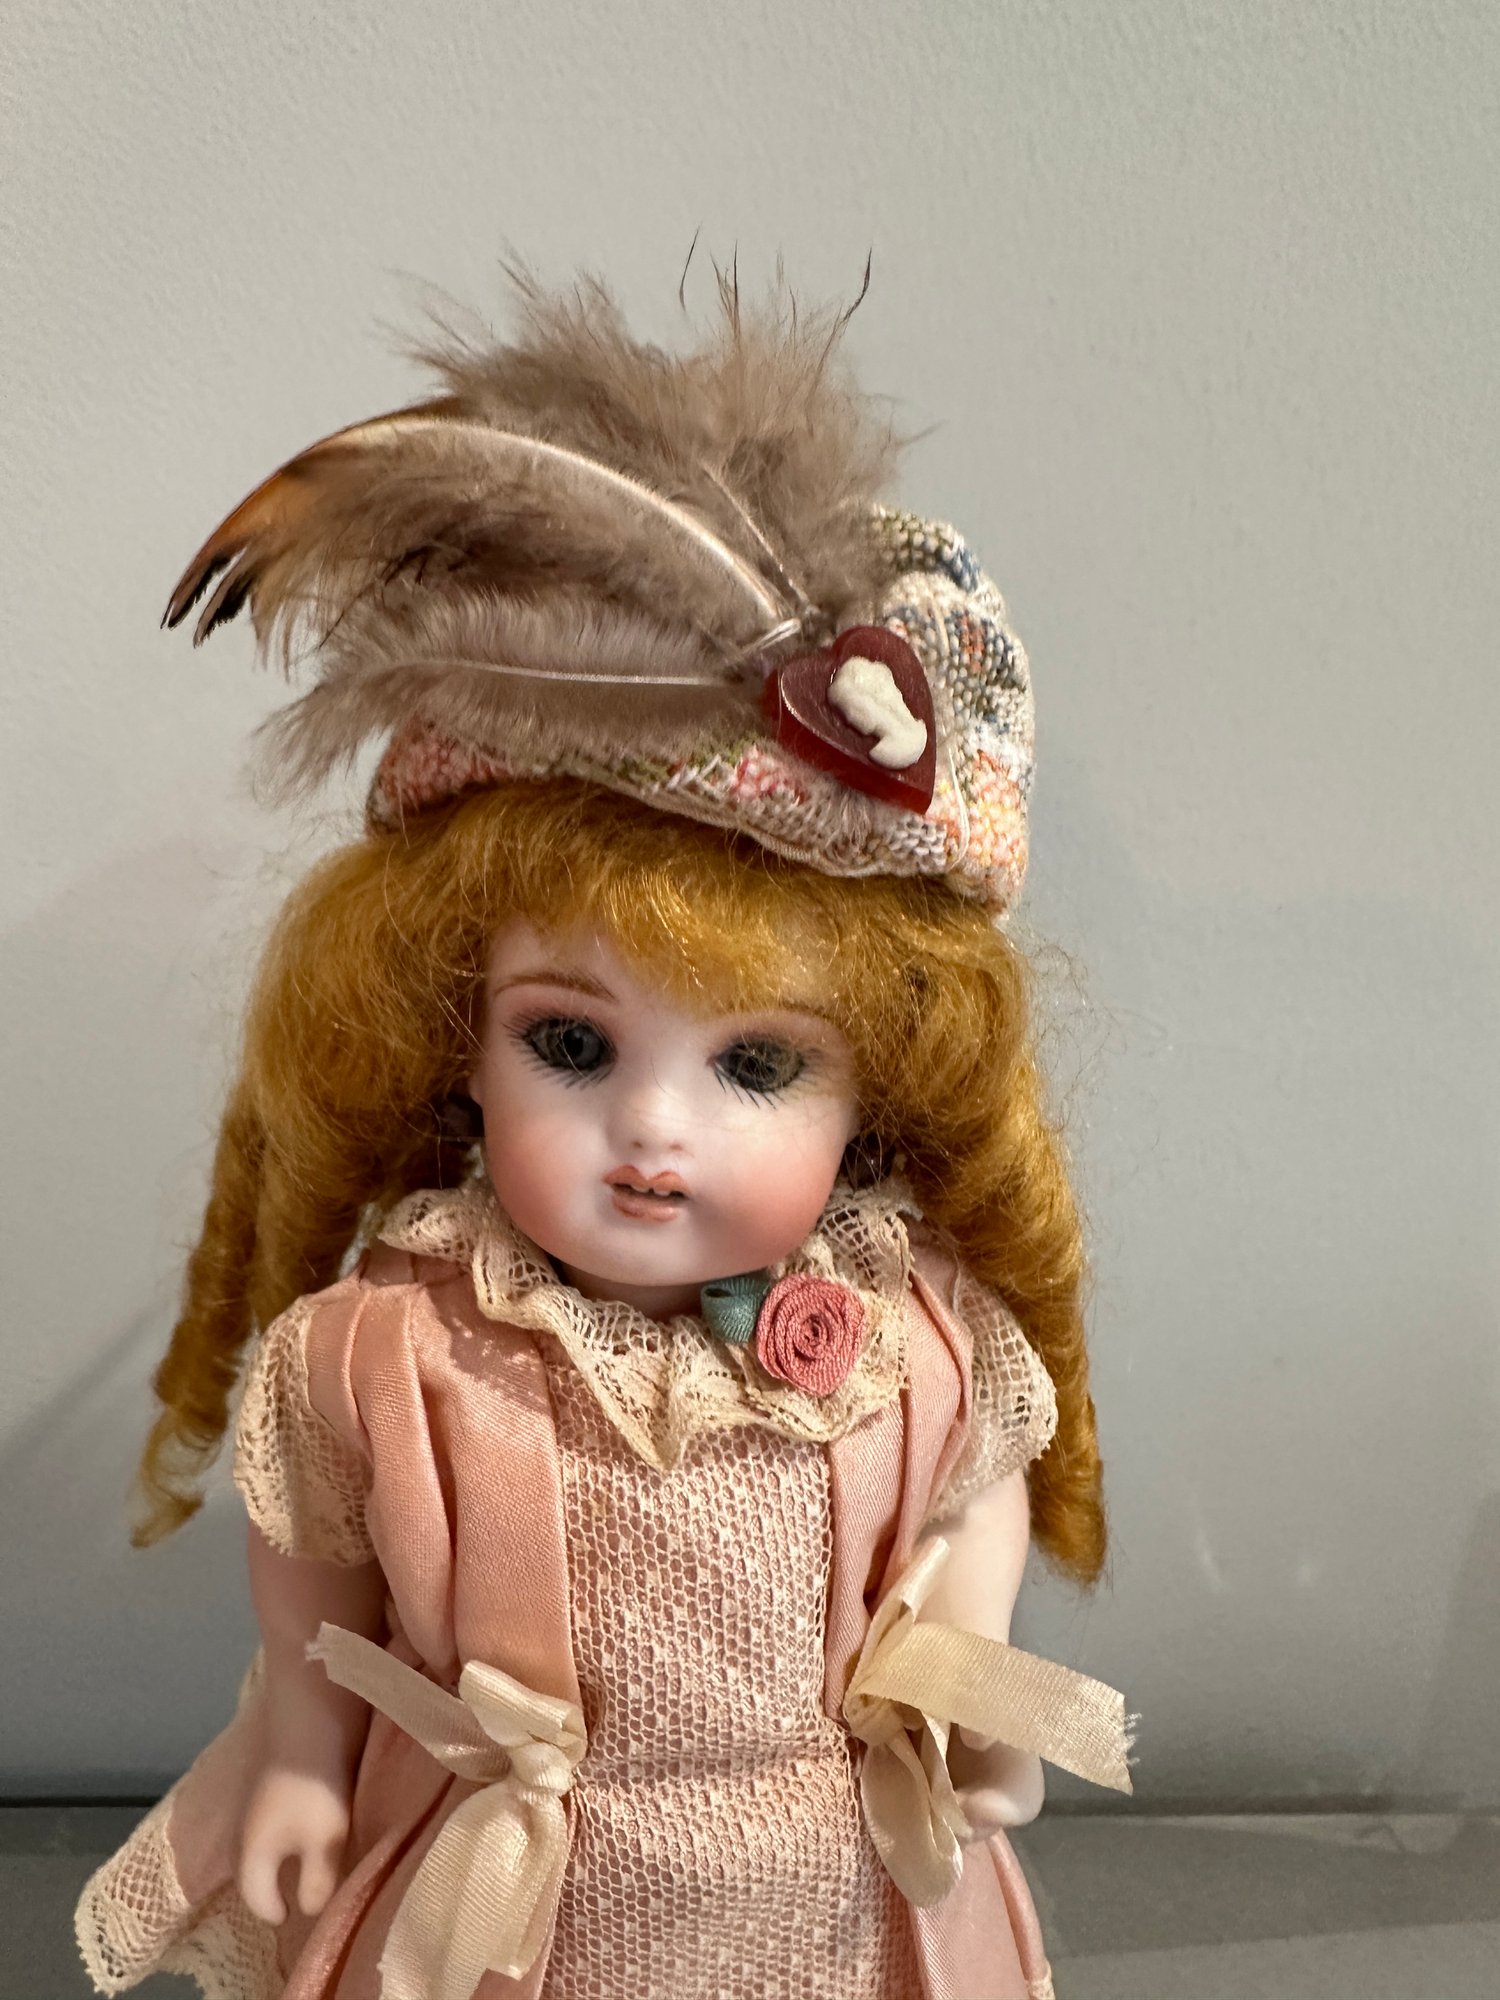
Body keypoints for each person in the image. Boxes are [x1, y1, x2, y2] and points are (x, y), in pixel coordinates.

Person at [76, 274, 1129, 2000]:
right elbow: (319, 1567)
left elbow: (969, 1494)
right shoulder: (396, 1355)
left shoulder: (914, 1346)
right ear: (453, 1043)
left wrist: (967, 1658)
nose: (651, 1129)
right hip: (510, 1909)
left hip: (832, 1892)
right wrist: (298, 1747)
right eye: (569, 1044)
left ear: (883, 1092)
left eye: (759, 1066)